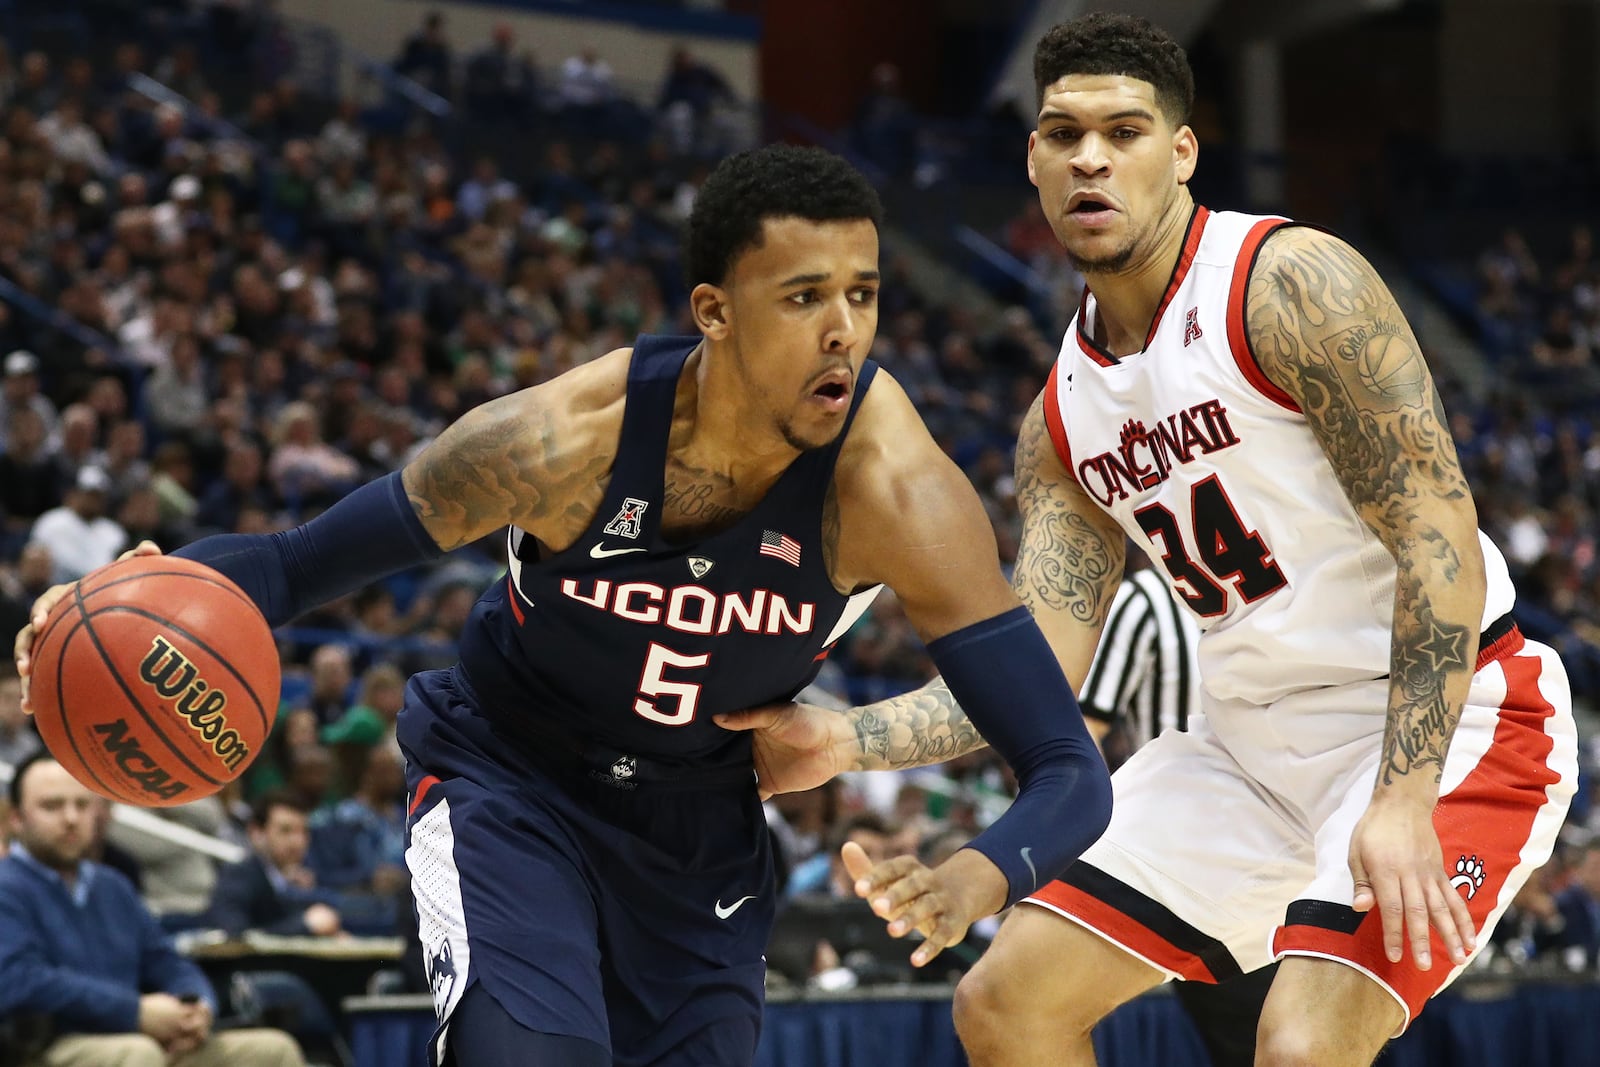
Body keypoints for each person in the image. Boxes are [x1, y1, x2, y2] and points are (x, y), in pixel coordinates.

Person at [15, 144, 1112, 1067]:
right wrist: (116, 598)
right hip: (513, 779)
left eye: (862, 294)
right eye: (803, 296)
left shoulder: (900, 495)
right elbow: (291, 567)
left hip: (699, 830)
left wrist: (973, 872)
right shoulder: (555, 445)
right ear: (713, 313)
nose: (843, 330)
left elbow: (1065, 764)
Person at [718, 16, 1577, 1067]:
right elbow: (1035, 671)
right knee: (1003, 1002)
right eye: (1060, 132)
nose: (1089, 155)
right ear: (1030, 162)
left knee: (1303, 1045)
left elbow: (1436, 524)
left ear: (1180, 152)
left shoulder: (1286, 282)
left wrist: (1402, 797)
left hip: (1443, 718)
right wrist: (841, 738)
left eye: (1123, 130)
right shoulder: (1062, 422)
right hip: (1245, 745)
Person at [0, 752, 303, 1067]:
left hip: (139, 1035)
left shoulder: (113, 886)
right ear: (17, 818)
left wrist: (195, 1006)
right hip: (46, 1046)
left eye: (82, 805)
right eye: (52, 806)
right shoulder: (7, 885)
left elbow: (165, 959)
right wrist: (135, 1012)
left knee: (273, 1050)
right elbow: (18, 981)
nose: (71, 818)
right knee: (138, 1055)